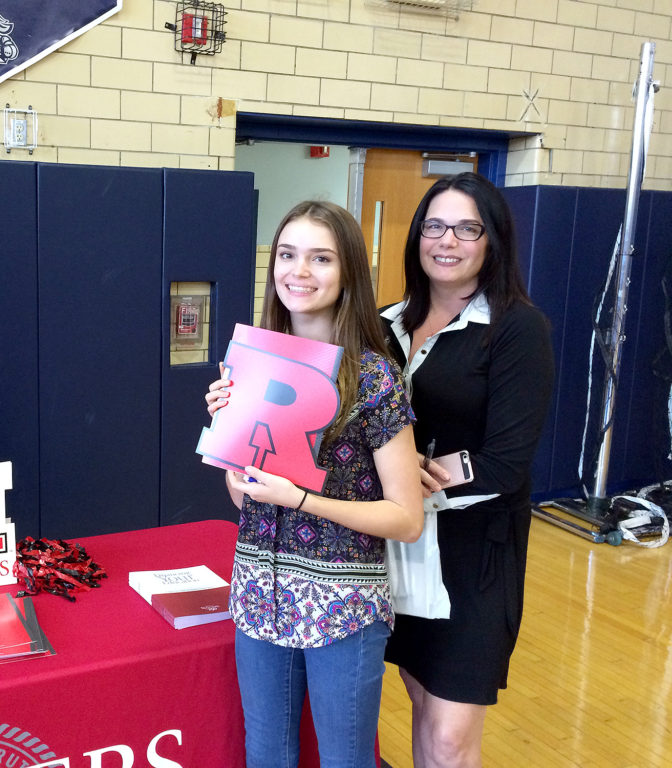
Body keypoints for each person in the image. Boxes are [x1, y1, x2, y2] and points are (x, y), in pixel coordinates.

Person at [205, 201, 424, 768]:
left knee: (346, 759)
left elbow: (406, 517)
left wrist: (303, 499)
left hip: (342, 603)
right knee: (266, 754)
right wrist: (232, 449)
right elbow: (244, 496)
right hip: (260, 589)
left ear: (348, 270)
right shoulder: (250, 363)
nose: (298, 272)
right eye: (287, 254)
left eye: (320, 258)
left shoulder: (375, 376)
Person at [380, 173, 554, 768]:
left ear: (492, 240)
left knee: (453, 734)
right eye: (434, 225)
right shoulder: (387, 323)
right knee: (422, 703)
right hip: (395, 547)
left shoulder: (516, 329)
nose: (446, 240)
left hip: (473, 557)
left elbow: (506, 460)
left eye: (466, 227)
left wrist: (410, 476)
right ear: (417, 235)